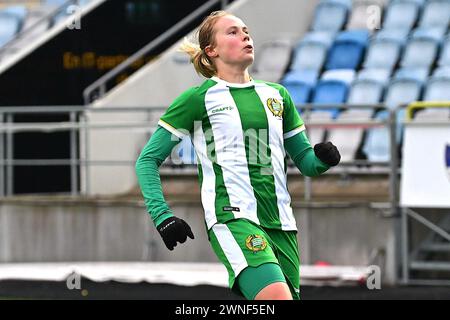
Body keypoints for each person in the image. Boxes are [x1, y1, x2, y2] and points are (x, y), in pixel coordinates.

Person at [135, 10, 340, 300]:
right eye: (232, 31)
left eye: (245, 30)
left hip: (282, 224)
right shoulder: (198, 99)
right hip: (233, 219)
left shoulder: (277, 95)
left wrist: (325, 160)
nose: (245, 35)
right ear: (212, 50)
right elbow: (147, 161)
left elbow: (306, 162)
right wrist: (162, 216)